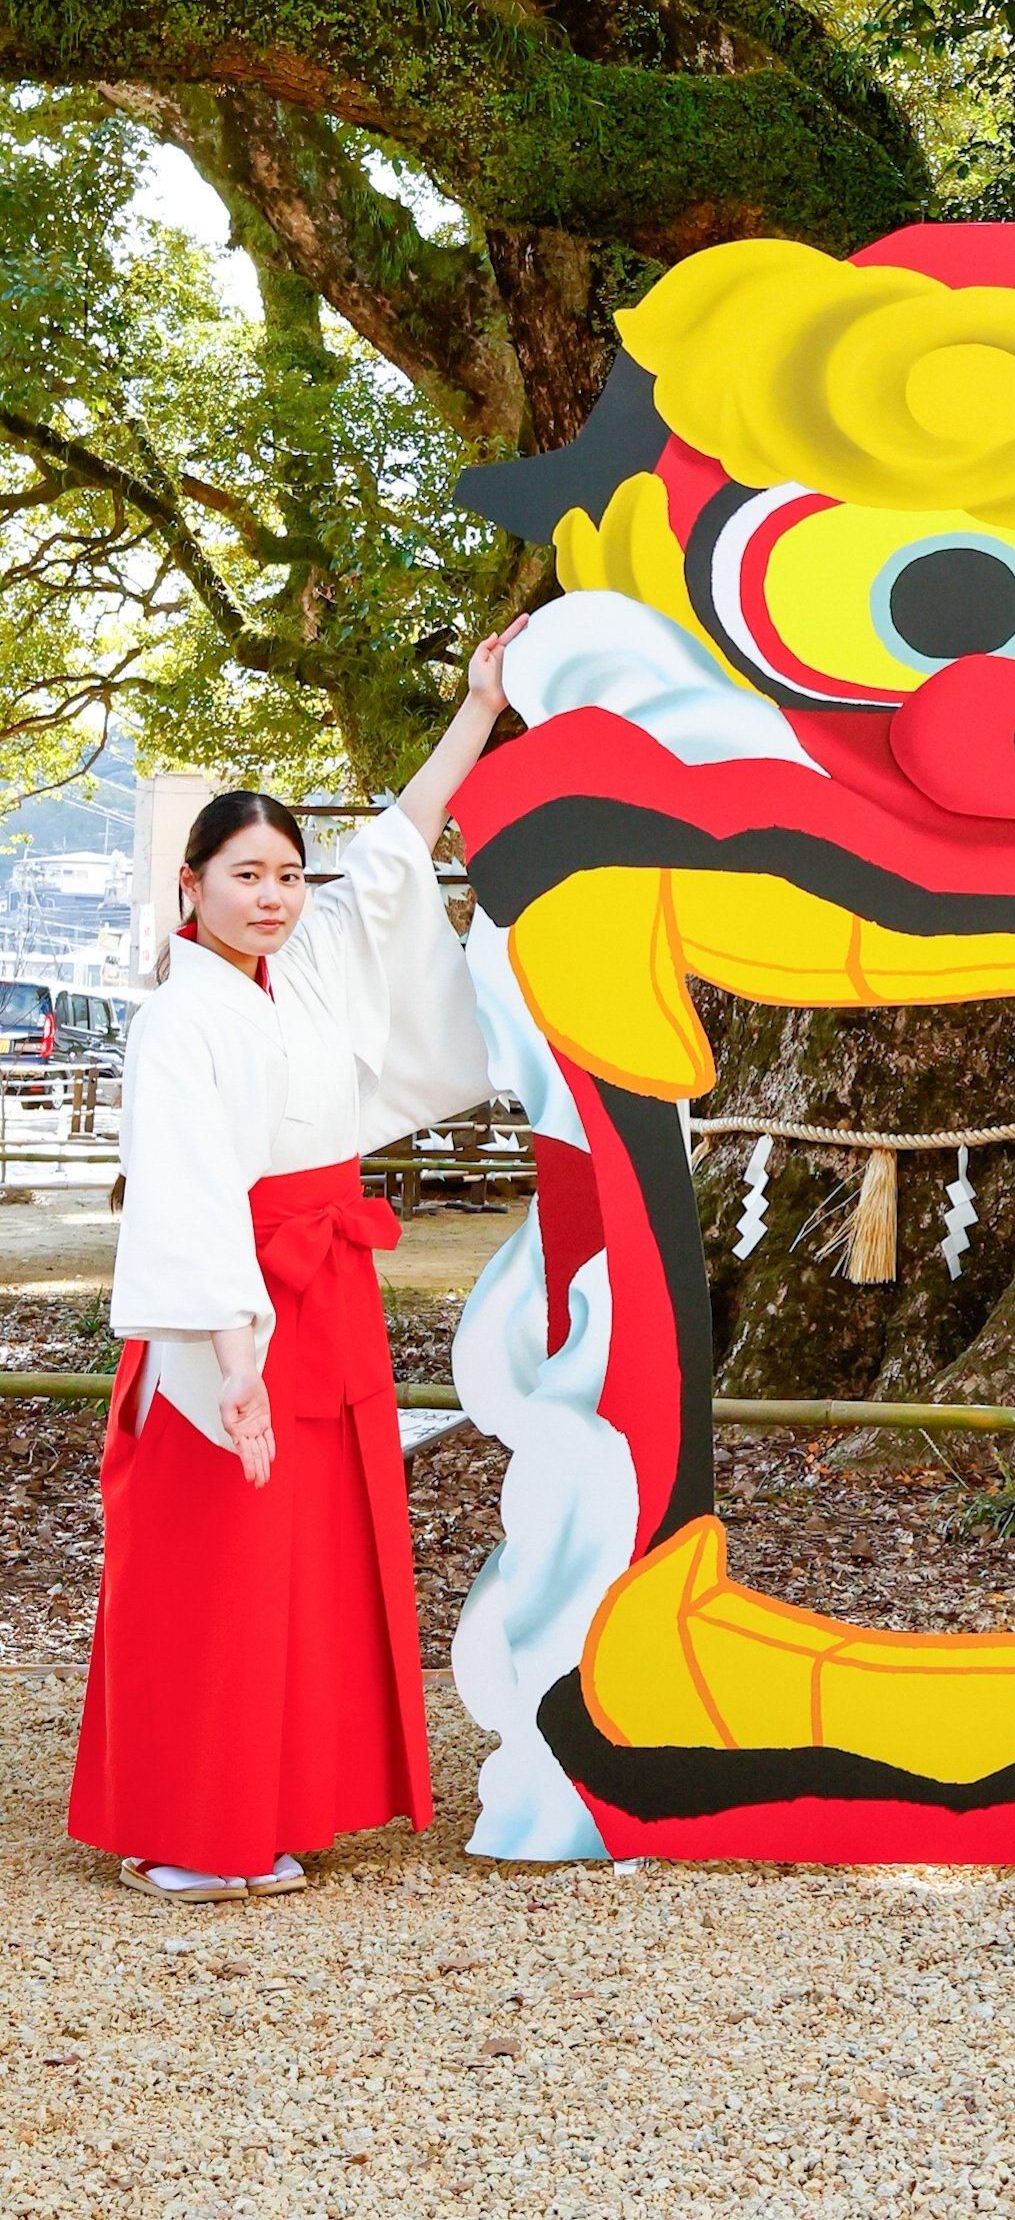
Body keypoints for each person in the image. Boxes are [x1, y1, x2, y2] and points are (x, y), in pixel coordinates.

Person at [69, 623, 523, 1902]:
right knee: (215, 1556)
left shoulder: (302, 971)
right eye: (245, 875)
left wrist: (478, 707)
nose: (272, 896)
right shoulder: (179, 1019)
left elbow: (397, 848)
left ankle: (286, 1803)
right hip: (229, 1302)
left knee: (309, 1555)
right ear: (192, 886)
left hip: (325, 1286)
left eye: (285, 875)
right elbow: (189, 1193)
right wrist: (232, 1355)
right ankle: (193, 1828)